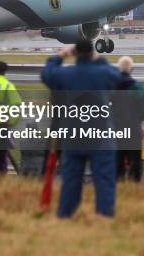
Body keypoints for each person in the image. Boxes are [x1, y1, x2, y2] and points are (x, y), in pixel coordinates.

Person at [41, 40, 121, 218]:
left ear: (75, 53)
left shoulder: (67, 74)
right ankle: (105, 215)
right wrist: (99, 60)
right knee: (104, 180)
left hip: (74, 134)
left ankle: (65, 214)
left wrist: (60, 56)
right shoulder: (103, 73)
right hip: (101, 134)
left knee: (70, 180)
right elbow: (117, 76)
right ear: (92, 53)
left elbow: (47, 74)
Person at [114, 56, 144, 182]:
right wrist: (137, 121)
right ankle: (135, 185)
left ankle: (117, 185)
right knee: (135, 160)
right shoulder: (138, 88)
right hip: (133, 128)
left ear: (118, 69)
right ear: (132, 69)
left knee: (117, 160)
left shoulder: (110, 88)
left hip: (116, 129)